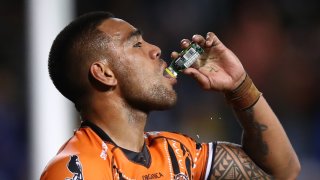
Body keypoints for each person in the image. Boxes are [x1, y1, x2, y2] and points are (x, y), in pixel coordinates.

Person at [40, 11, 300, 180]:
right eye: (136, 44)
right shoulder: (77, 170)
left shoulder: (178, 153)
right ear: (104, 73)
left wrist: (240, 87)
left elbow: (281, 172)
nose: (155, 49)